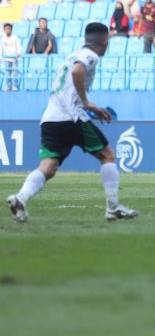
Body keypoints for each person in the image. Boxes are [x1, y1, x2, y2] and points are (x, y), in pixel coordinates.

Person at [6, 23, 138, 223]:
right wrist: (86, 103)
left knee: (48, 167)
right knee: (108, 155)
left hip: (50, 118)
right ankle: (113, 208)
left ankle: (21, 199)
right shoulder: (90, 56)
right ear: (105, 42)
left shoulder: (72, 54)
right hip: (71, 117)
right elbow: (77, 72)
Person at [1, 23, 22, 91]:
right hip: (6, 58)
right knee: (8, 73)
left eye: (9, 29)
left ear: (11, 30)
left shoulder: (15, 38)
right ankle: (8, 87)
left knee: (15, 73)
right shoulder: (3, 38)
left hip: (14, 58)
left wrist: (18, 53)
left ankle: (15, 87)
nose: (8, 30)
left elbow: (18, 46)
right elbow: (1, 48)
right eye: (6, 29)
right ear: (4, 30)